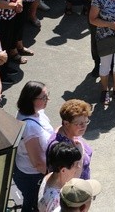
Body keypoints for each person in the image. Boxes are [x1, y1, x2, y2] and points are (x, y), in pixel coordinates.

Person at [14, 81, 55, 212]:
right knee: (34, 205)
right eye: (43, 97)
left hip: (35, 173)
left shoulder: (38, 112)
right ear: (31, 100)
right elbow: (38, 163)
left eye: (47, 95)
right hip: (32, 177)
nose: (47, 99)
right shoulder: (30, 128)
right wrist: (54, 176)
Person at [47, 99, 94, 180]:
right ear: (66, 123)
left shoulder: (72, 132)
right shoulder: (60, 147)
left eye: (86, 122)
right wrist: (81, 152)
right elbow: (69, 179)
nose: (84, 126)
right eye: (79, 124)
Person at [37, 142, 82, 212]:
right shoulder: (56, 198)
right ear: (63, 170)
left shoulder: (50, 175)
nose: (78, 167)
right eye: (76, 164)